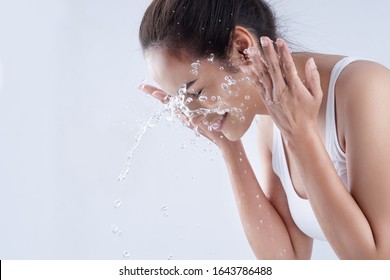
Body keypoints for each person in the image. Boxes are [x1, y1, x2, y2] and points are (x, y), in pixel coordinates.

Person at [138, 0, 390, 259]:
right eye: (181, 101)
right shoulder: (272, 119)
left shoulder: (366, 90)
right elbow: (286, 261)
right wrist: (227, 144)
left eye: (196, 92)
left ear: (242, 48)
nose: (192, 113)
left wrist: (300, 135)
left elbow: (376, 264)